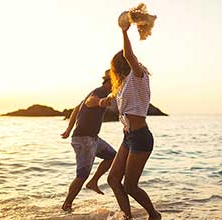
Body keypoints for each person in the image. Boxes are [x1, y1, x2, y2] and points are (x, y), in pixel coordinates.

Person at [105, 21, 162, 220]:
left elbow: (129, 55)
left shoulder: (139, 75)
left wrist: (123, 31)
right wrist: (103, 100)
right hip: (128, 137)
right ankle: (126, 216)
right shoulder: (123, 85)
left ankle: (154, 215)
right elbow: (114, 97)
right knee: (113, 179)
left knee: (130, 185)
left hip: (140, 137)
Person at [61, 70, 116, 212]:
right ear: (111, 80)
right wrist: (100, 101)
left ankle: (93, 182)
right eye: (117, 81)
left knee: (112, 156)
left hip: (93, 138)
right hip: (84, 139)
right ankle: (66, 205)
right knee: (82, 174)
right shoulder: (99, 92)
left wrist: (68, 130)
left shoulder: (98, 92)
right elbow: (90, 102)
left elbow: (76, 109)